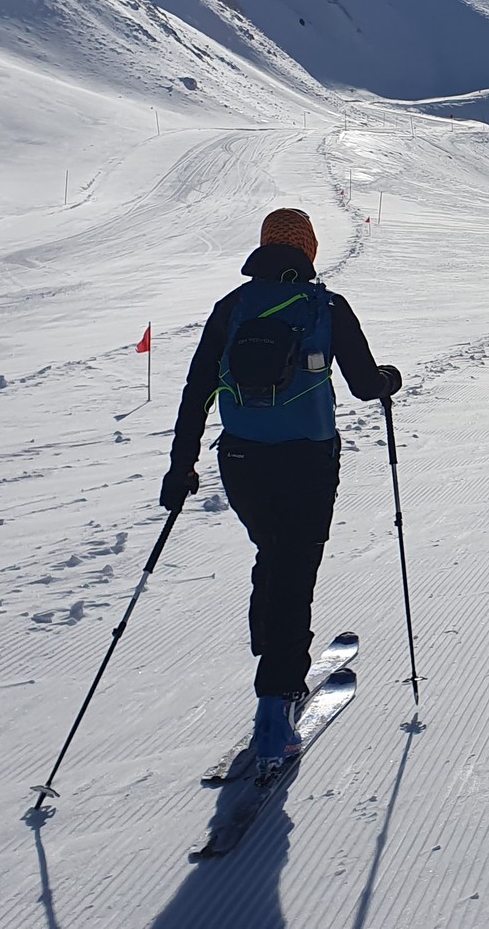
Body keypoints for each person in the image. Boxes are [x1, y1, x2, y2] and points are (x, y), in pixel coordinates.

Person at [160, 208, 401, 772]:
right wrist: (390, 379)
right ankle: (276, 707)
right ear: (309, 252)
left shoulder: (232, 308)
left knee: (274, 555)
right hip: (308, 461)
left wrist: (180, 466)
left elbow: (196, 388)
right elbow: (366, 386)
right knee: (295, 570)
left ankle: (274, 652)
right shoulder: (328, 307)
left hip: (241, 460)